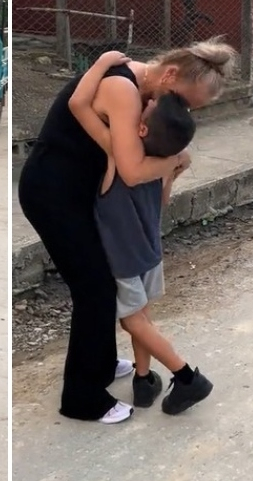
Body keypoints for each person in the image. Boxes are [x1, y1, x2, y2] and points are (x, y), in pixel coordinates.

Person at [18, 38, 237, 424]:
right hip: (53, 194)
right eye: (184, 100)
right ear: (169, 75)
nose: (180, 110)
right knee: (95, 288)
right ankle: (82, 398)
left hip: (82, 193)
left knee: (101, 282)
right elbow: (133, 170)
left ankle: (99, 366)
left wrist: (170, 163)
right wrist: (174, 161)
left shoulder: (142, 91)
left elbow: (130, 166)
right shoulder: (122, 88)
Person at [68, 59, 214, 415]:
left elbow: (77, 105)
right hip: (150, 252)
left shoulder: (119, 161)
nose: (138, 106)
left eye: (142, 111)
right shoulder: (161, 169)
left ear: (142, 131)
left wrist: (102, 62)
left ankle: (186, 375)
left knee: (132, 320)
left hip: (124, 258)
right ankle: (143, 380)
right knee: (144, 318)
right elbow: (163, 200)